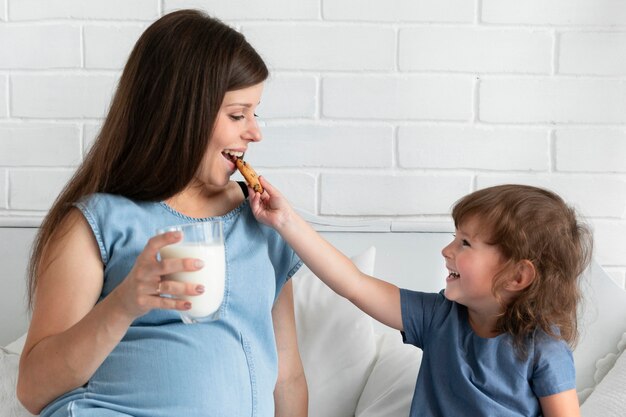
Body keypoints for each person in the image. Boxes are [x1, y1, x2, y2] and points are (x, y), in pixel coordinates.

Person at [17, 9, 307, 417]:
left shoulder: (265, 224)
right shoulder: (98, 223)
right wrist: (123, 305)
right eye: (238, 115)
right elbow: (32, 389)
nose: (255, 132)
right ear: (182, 113)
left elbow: (288, 376)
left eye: (255, 113)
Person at [250, 180, 593, 417]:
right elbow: (352, 284)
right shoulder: (438, 318)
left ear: (518, 276)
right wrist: (286, 221)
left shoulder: (544, 350)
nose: (446, 250)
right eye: (454, 238)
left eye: (465, 244)